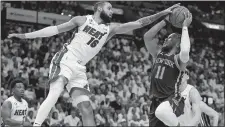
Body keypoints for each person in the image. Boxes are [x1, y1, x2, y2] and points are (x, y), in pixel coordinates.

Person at [8, 2, 180, 126]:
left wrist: (162, 13)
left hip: (80, 68)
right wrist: (25, 36)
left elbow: (139, 23)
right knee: (55, 92)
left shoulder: (109, 29)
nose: (112, 11)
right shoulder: (82, 20)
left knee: (87, 108)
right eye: (109, 8)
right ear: (99, 8)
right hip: (66, 59)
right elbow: (52, 31)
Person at [143, 8, 192, 126]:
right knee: (159, 111)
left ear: (177, 43)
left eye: (169, 38)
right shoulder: (158, 54)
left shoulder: (178, 59)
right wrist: (165, 20)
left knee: (162, 111)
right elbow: (147, 37)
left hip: (173, 100)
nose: (165, 39)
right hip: (156, 102)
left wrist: (185, 27)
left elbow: (185, 50)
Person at [155, 70, 219, 126]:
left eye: (182, 73)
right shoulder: (172, 95)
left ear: (187, 76)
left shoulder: (192, 92)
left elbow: (211, 115)